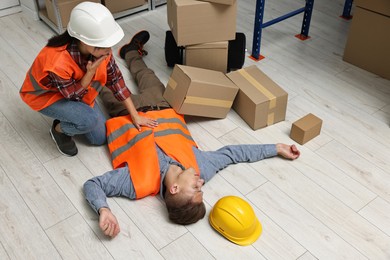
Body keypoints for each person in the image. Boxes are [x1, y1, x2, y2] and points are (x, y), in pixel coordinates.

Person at [83, 30, 301, 238]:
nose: (201, 183)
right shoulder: (200, 168)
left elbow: (93, 184)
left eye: (195, 189)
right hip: (161, 104)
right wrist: (275, 148)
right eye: (201, 189)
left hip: (124, 112)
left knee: (102, 84)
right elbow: (234, 154)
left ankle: (88, 62)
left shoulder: (136, 184)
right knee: (145, 74)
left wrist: (103, 210)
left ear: (175, 189)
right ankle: (130, 51)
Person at [19, 2, 157, 157]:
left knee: (98, 139)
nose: (109, 50)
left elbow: (116, 80)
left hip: (75, 91)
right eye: (105, 46)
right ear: (85, 42)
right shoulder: (57, 62)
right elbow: (73, 97)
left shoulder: (101, 49)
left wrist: (135, 115)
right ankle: (58, 130)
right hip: (45, 97)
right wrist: (89, 74)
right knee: (88, 121)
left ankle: (73, 116)